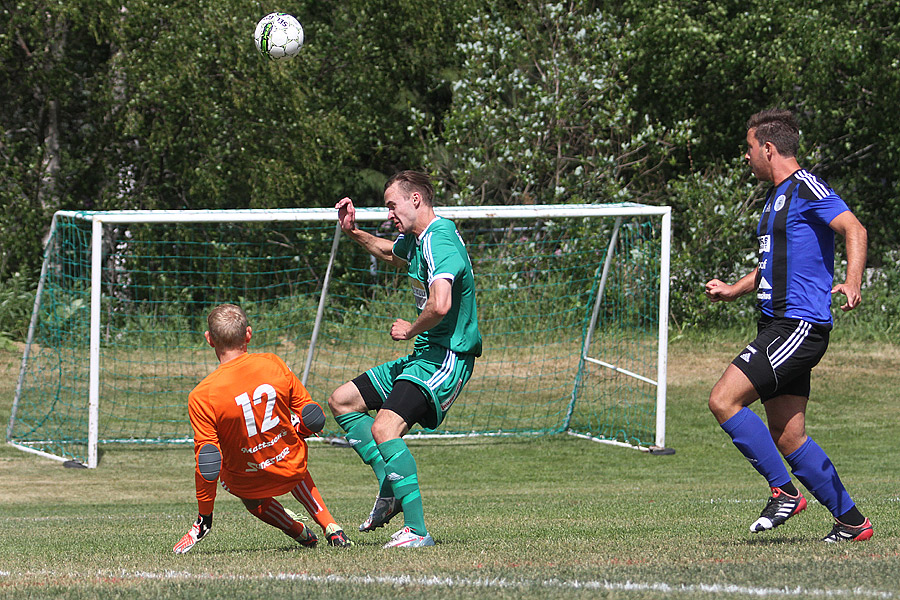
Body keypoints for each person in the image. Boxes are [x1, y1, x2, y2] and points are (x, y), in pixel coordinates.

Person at [705, 109, 872, 543]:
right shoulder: (775, 198)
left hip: (797, 326)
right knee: (788, 435)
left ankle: (784, 493)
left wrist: (852, 282)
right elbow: (770, 266)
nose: (746, 157)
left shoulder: (805, 187)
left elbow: (854, 228)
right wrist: (734, 290)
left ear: (768, 148)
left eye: (748, 148)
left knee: (723, 400)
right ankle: (852, 522)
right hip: (777, 325)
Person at [328, 170, 482, 548]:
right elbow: (386, 251)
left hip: (447, 357)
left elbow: (441, 304)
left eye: (391, 205)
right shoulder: (416, 239)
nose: (390, 214)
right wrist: (353, 231)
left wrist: (411, 329)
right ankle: (391, 484)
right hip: (424, 354)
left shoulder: (439, 239)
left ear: (416, 200)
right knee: (342, 400)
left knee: (384, 429)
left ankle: (417, 530)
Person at [173, 303, 352, 553]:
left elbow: (208, 461)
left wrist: (205, 517)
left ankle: (298, 531)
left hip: (247, 479)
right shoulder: (273, 363)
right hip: (289, 466)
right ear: (248, 334)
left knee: (246, 491)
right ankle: (332, 528)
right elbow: (314, 418)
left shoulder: (201, 395)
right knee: (290, 452)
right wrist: (296, 433)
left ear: (209, 340)